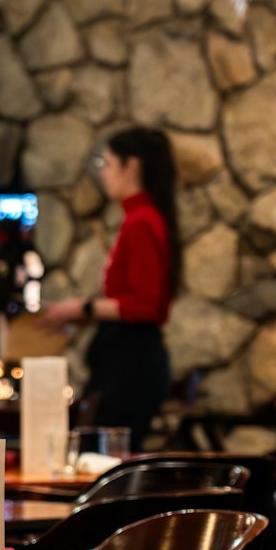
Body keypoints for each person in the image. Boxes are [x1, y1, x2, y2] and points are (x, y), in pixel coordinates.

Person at [44, 127, 180, 450]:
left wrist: (83, 308)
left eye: (106, 163)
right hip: (128, 362)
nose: (102, 174)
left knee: (103, 464)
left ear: (130, 166)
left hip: (129, 367)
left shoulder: (142, 221)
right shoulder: (141, 217)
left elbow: (145, 306)